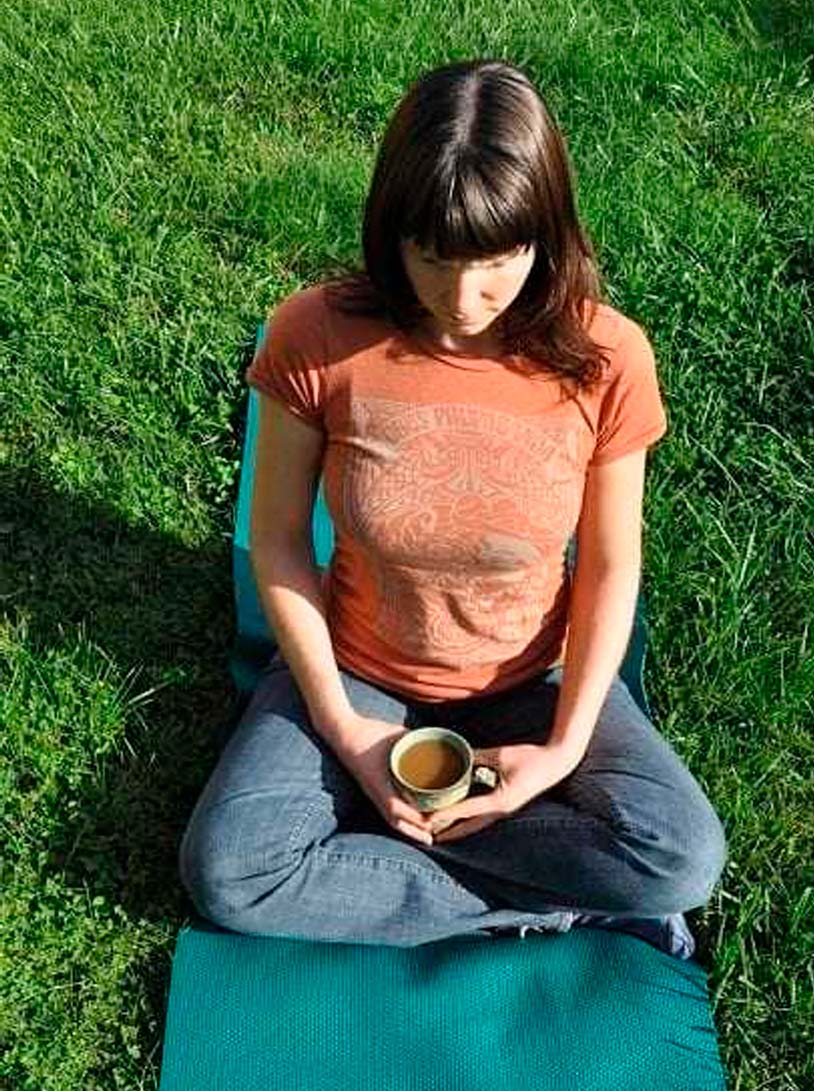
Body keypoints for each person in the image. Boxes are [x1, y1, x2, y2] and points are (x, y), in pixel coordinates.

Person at [178, 58, 727, 957]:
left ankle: (376, 867)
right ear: (392, 230)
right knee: (230, 872)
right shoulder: (314, 337)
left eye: (498, 261)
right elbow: (277, 544)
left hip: (530, 680)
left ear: (544, 236)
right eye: (431, 258)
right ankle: (559, 900)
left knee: (680, 855)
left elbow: (611, 564)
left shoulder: (606, 356)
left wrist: (559, 749)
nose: (462, 299)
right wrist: (347, 730)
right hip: (361, 667)